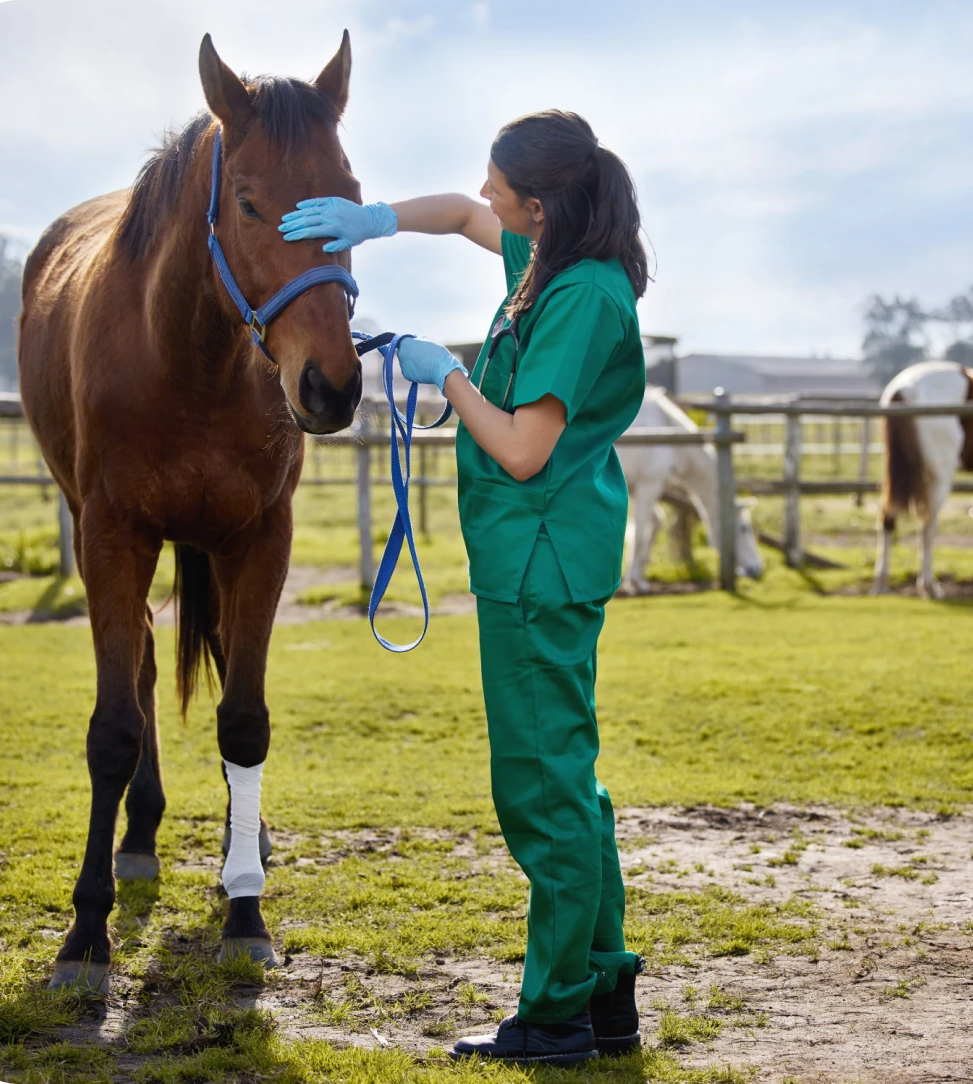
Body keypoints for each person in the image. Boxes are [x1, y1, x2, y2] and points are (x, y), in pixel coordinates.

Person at [280, 109, 648, 1065]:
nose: (485, 198)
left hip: (540, 557)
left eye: (499, 188)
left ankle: (556, 1012)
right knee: (575, 782)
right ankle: (604, 993)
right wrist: (374, 220)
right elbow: (452, 215)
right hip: (542, 557)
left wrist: (449, 374)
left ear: (541, 201)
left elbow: (525, 449)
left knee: (542, 790)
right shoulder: (552, 260)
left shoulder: (577, 295)